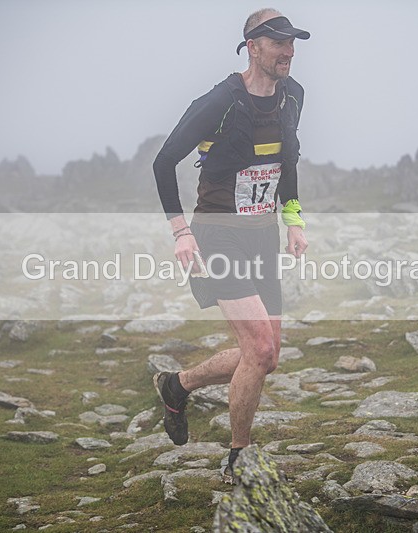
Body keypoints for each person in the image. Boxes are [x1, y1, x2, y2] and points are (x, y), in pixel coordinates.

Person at [151, 8, 310, 483]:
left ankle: (177, 386)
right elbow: (163, 164)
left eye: (292, 43)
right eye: (279, 43)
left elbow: (289, 159)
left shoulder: (293, 97)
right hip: (217, 234)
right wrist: (181, 232)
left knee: (267, 357)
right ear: (253, 46)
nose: (289, 52)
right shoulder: (219, 101)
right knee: (258, 348)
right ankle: (239, 459)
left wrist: (293, 219)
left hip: (263, 236)